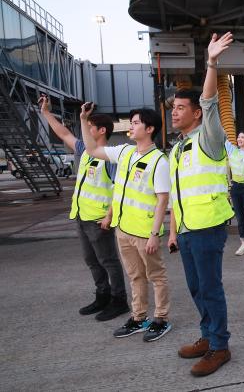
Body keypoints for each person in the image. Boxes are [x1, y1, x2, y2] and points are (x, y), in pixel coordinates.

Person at [167, 32, 236, 377]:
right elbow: (177, 194)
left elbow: (210, 102)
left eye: (181, 108)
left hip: (208, 225)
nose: (174, 113)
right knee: (196, 288)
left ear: (196, 113)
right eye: (173, 108)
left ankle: (220, 346)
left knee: (210, 287)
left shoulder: (208, 137)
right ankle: (208, 336)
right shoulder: (178, 148)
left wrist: (211, 63)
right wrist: (174, 230)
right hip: (188, 229)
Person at [81, 105, 172, 341]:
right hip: (123, 229)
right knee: (135, 276)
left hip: (144, 232)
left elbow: (163, 200)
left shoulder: (159, 161)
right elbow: (91, 149)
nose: (131, 126)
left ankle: (161, 319)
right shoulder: (124, 152)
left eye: (135, 122)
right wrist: (83, 120)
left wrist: (154, 234)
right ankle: (139, 317)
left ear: (149, 128)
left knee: (156, 276)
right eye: (131, 122)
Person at [40, 95, 128, 321]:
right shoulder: (84, 152)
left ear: (101, 131)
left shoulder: (110, 158)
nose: (85, 131)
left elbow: (120, 189)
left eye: (90, 127)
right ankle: (103, 295)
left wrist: (110, 216)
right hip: (81, 216)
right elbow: (63, 133)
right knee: (91, 260)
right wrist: (46, 113)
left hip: (100, 219)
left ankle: (119, 300)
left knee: (108, 260)